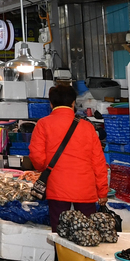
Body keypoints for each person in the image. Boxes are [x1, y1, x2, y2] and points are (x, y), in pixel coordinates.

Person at [29, 84, 108, 225]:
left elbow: (37, 158)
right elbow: (98, 162)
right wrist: (102, 191)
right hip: (85, 189)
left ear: (51, 104)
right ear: (73, 103)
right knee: (86, 234)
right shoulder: (87, 127)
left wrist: (44, 168)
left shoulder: (43, 124)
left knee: (60, 232)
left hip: (57, 187)